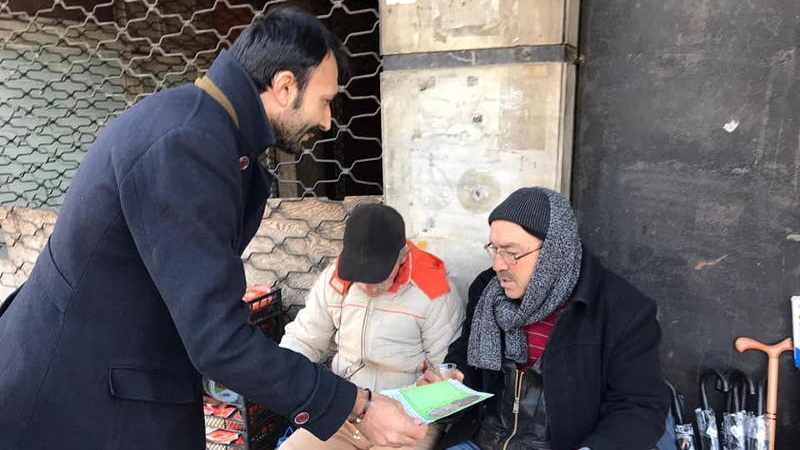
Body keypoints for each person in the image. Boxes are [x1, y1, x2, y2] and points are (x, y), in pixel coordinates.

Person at [0, 8, 426, 450]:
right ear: (285, 87)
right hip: (72, 400)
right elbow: (218, 339)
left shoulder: (202, 128)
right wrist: (356, 405)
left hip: (110, 380)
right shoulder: (186, 144)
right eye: (324, 100)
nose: (326, 121)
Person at [418, 187, 669, 450]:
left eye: (512, 253)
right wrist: (451, 385)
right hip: (481, 441)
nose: (498, 265)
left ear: (554, 251)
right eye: (495, 249)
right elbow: (466, 356)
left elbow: (640, 407)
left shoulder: (623, 311)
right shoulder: (488, 290)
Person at [278, 203, 465, 450]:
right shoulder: (335, 279)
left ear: (402, 257)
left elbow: (446, 368)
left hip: (406, 415)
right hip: (347, 406)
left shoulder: (435, 290)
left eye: (377, 275)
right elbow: (304, 339)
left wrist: (432, 389)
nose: (367, 287)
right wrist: (279, 375)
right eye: (359, 275)